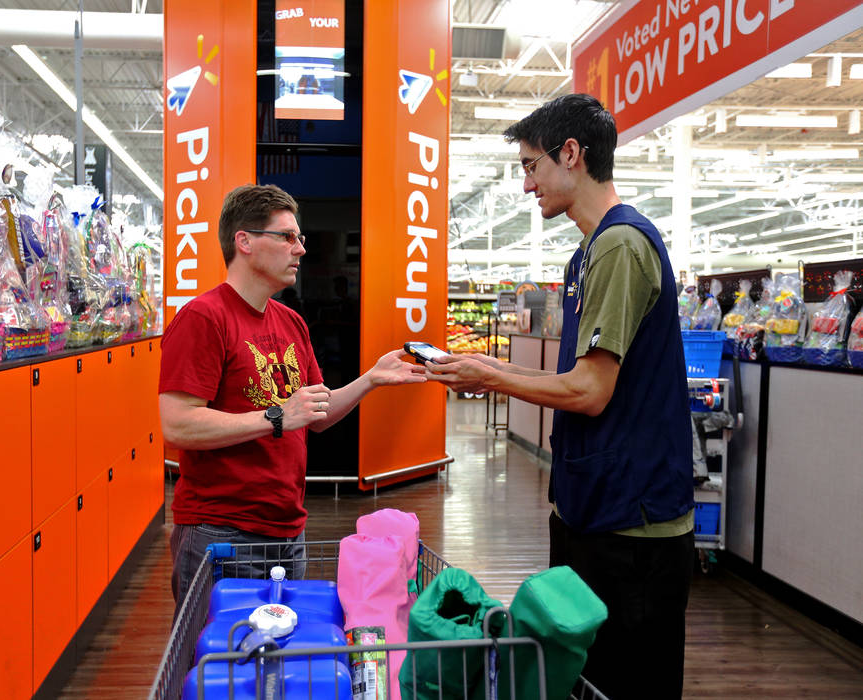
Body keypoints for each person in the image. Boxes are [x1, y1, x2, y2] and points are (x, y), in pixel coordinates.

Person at [425, 94, 695, 700]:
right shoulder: (589, 252)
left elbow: (591, 390)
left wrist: (491, 377)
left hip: (633, 527)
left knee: (624, 682)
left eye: (530, 165)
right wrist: (491, 365)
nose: (527, 185)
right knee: (584, 680)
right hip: (594, 507)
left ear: (570, 154)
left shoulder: (622, 246)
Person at [160, 184, 425, 611]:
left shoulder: (291, 323)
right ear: (243, 241)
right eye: (287, 236)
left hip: (288, 532)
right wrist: (276, 416)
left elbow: (314, 414)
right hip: (222, 534)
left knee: (279, 664)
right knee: (217, 672)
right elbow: (178, 424)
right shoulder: (203, 318)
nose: (300, 249)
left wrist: (371, 379)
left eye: (299, 238)